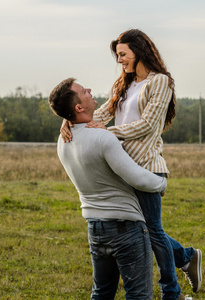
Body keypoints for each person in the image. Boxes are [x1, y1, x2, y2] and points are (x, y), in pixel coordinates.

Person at [60, 29, 202, 300]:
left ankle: (172, 293)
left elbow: (149, 124)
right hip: (125, 165)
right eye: (117, 56)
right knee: (144, 230)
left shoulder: (160, 81)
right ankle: (186, 257)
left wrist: (108, 133)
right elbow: (99, 113)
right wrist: (69, 118)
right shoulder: (123, 83)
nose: (120, 60)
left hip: (147, 165)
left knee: (152, 230)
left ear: (139, 51)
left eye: (123, 54)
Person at [49, 77, 168, 300]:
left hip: (95, 228)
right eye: (84, 91)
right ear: (79, 107)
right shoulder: (103, 138)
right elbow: (136, 177)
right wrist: (161, 183)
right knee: (138, 295)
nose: (89, 90)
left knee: (102, 292)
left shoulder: (63, 140)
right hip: (126, 228)